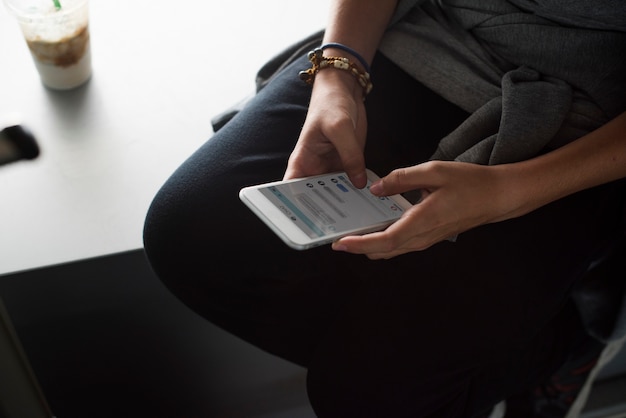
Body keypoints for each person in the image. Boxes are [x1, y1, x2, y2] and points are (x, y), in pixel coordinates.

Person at [143, 0, 626, 416]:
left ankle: (564, 347)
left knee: (367, 399)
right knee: (186, 239)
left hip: (584, 127)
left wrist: (506, 194)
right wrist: (337, 75)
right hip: (424, 35)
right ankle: (464, 370)